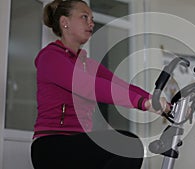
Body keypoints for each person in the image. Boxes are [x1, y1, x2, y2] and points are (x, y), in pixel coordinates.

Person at [30, 0, 170, 169]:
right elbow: (89, 86)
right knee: (127, 144)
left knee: (126, 147)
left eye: (92, 18)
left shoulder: (87, 64)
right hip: (52, 146)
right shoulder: (50, 57)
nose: (91, 23)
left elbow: (121, 86)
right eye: (84, 17)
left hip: (77, 145)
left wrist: (158, 101)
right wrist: (141, 102)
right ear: (65, 22)